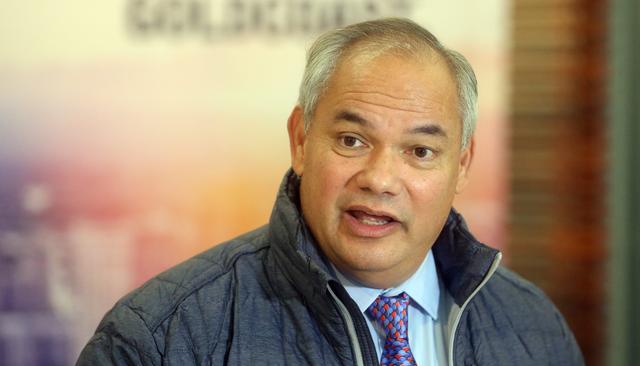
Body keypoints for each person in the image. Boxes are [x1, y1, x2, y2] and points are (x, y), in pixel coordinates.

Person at [77, 18, 583, 365]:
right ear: (300, 140)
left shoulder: (532, 327)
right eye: (351, 140)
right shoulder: (163, 337)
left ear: (463, 165)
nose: (380, 179)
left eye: (420, 152)